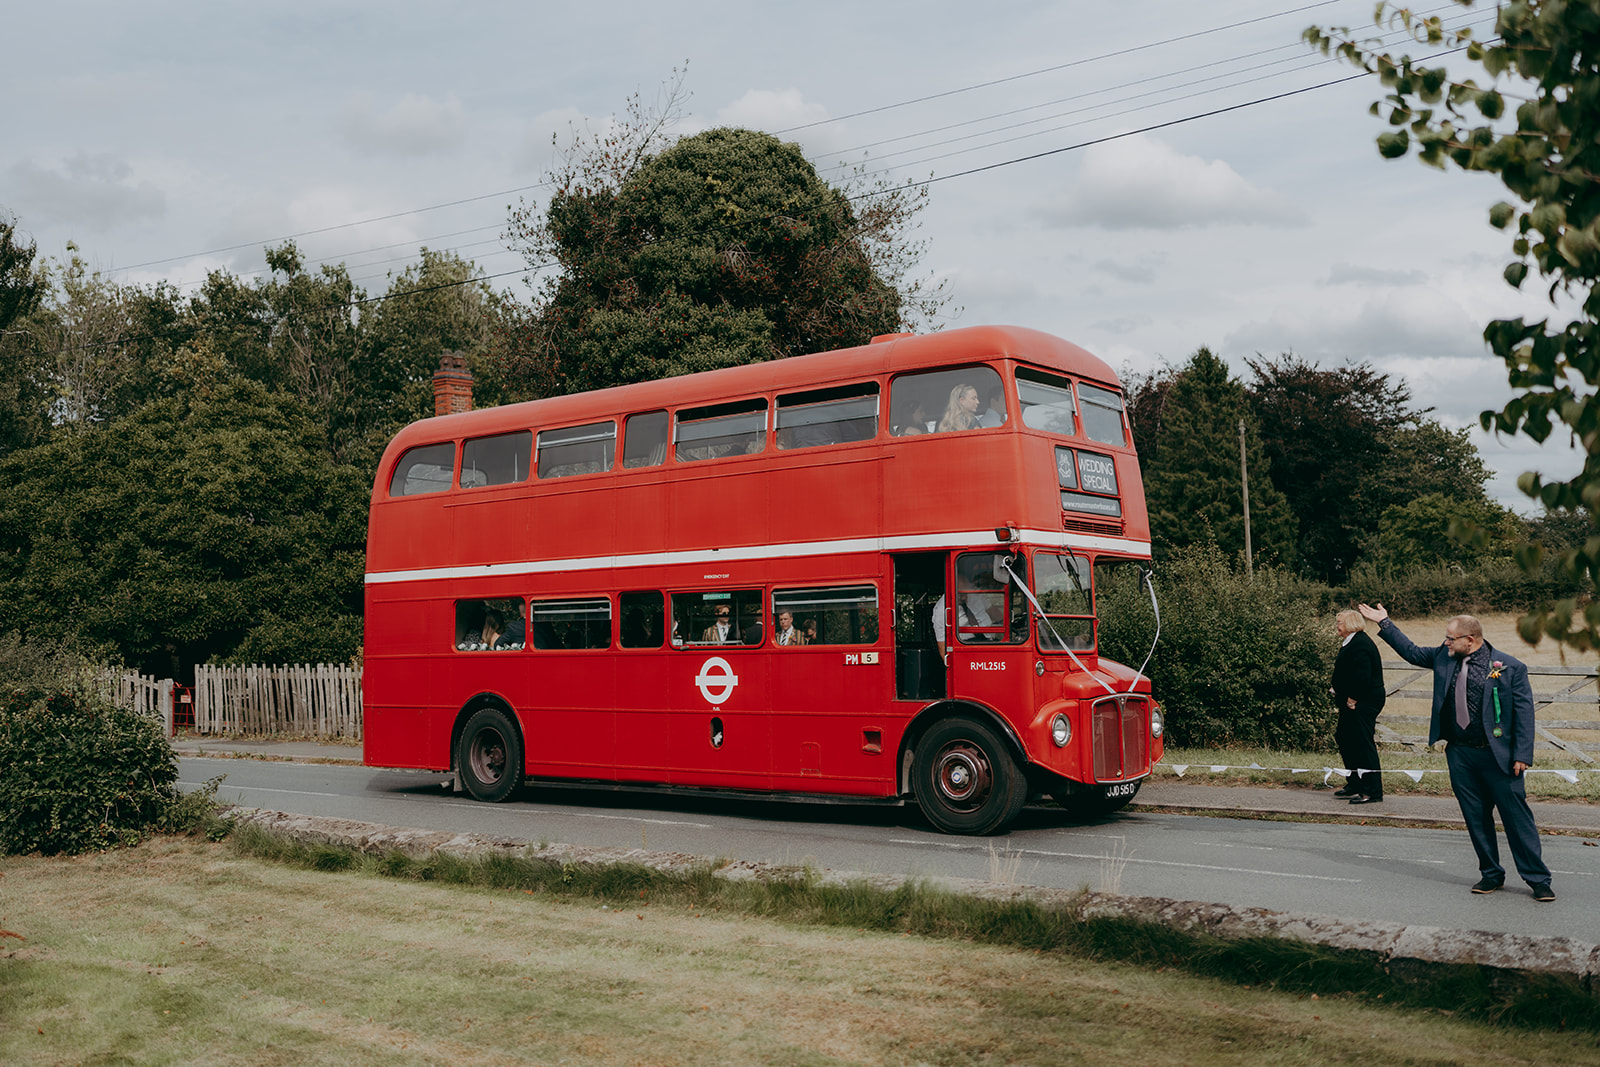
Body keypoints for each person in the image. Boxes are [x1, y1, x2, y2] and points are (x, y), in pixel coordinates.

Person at [1359, 604, 1554, 902]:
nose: (1445, 642)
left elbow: (1525, 713)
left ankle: (1538, 879)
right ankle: (1491, 874)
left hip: (1499, 757)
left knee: (1517, 820)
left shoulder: (1510, 667)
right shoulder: (1443, 656)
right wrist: (1384, 622)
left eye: (1451, 638)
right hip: (1461, 755)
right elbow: (1411, 651)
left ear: (1471, 640)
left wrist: (1522, 754)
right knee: (1476, 819)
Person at [1330, 609, 1385, 804]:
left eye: (1340, 623)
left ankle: (1372, 791)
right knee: (1344, 738)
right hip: (1351, 701)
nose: (1337, 626)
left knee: (1362, 743)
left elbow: (1363, 676)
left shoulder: (1360, 644)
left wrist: (1352, 698)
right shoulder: (1352, 642)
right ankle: (1355, 782)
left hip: (1363, 701)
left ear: (1351, 624)